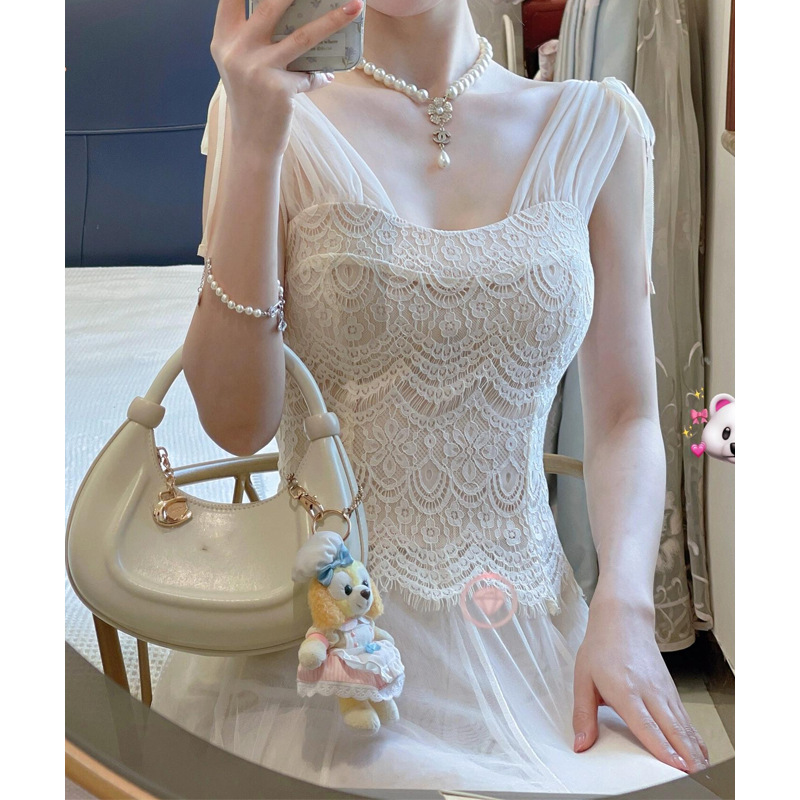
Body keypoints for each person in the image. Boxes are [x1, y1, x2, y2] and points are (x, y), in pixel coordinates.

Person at [151, 0, 710, 793]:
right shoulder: (267, 106)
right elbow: (235, 424)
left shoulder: (597, 125)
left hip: (534, 644)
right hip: (324, 644)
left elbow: (625, 416)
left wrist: (626, 610)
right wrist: (256, 142)